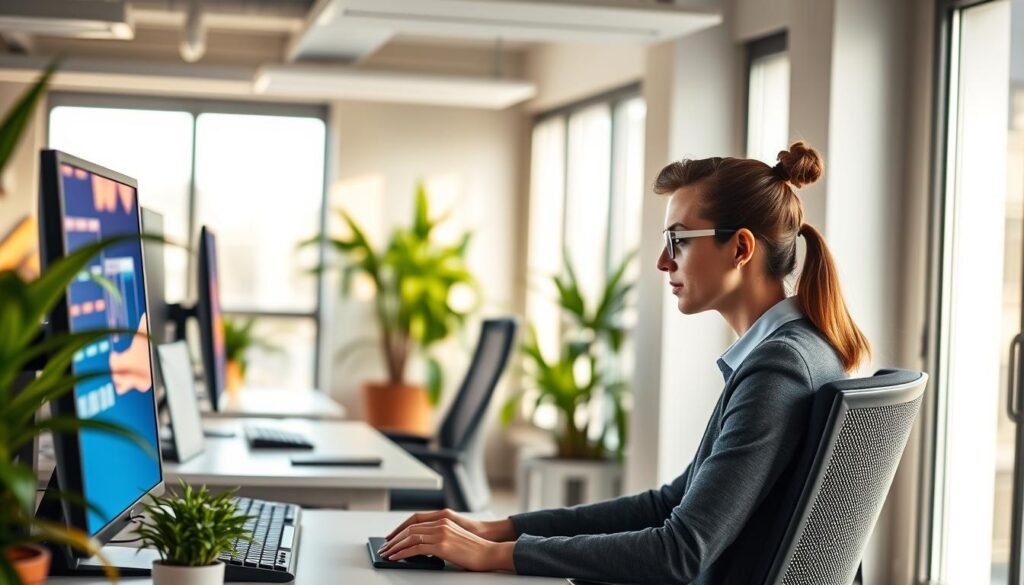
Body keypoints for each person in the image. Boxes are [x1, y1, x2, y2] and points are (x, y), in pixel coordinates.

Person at [376, 142, 870, 584]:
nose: (662, 261)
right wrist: (499, 529)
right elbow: (669, 505)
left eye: (679, 240)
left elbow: (679, 553)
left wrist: (498, 555)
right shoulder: (799, 349)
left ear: (740, 247)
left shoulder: (778, 368)